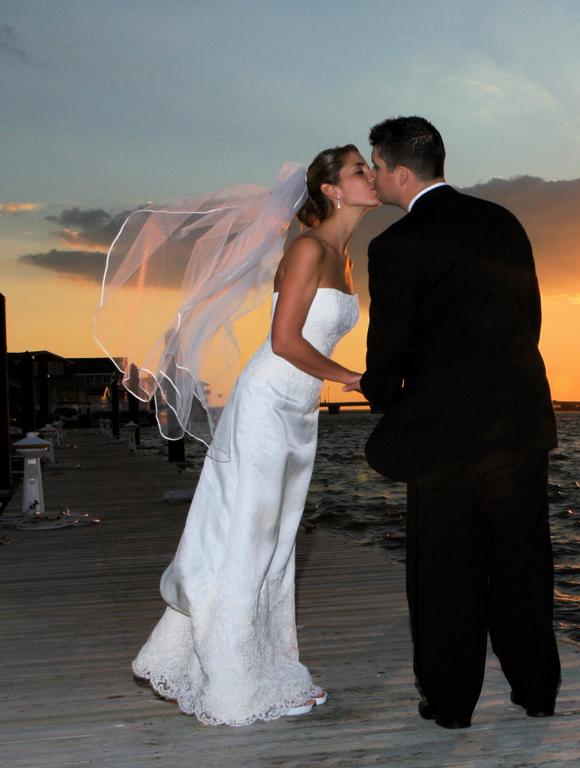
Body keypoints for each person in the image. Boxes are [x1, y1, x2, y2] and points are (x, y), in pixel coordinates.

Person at [128, 146, 378, 726]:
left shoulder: (345, 256)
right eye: (359, 169)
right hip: (268, 402)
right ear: (332, 189)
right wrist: (354, 378)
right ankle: (235, 684)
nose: (371, 175)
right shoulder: (309, 248)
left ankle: (256, 664)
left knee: (277, 540)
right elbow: (286, 340)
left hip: (300, 407)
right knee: (250, 536)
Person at [350, 116, 560, 729]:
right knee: (523, 564)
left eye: (377, 166)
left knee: (444, 572)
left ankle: (450, 703)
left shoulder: (393, 246)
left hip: (444, 435)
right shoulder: (504, 223)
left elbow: (389, 348)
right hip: (519, 424)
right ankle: (537, 692)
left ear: (402, 172)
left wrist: (383, 395)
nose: (375, 176)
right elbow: (530, 319)